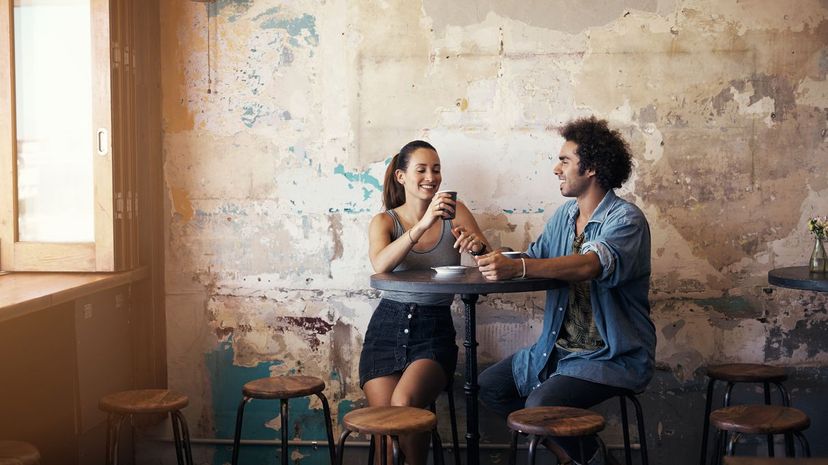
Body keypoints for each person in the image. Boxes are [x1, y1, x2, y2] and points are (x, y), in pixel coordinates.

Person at [476, 117, 655, 464]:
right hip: (555, 351)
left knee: (539, 405)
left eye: (565, 160)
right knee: (489, 387)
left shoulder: (626, 220)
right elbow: (533, 258)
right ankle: (578, 457)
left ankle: (583, 458)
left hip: (611, 357)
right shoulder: (563, 216)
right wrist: (487, 253)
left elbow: (591, 264)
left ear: (591, 168)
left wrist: (519, 266)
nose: (556, 169)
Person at [361, 140, 491, 465]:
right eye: (421, 169)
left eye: (436, 169)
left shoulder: (456, 212)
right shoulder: (384, 222)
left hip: (433, 328)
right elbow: (381, 264)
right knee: (383, 436)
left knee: (403, 406)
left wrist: (478, 249)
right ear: (402, 177)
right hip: (386, 329)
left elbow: (490, 264)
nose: (431, 177)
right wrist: (422, 224)